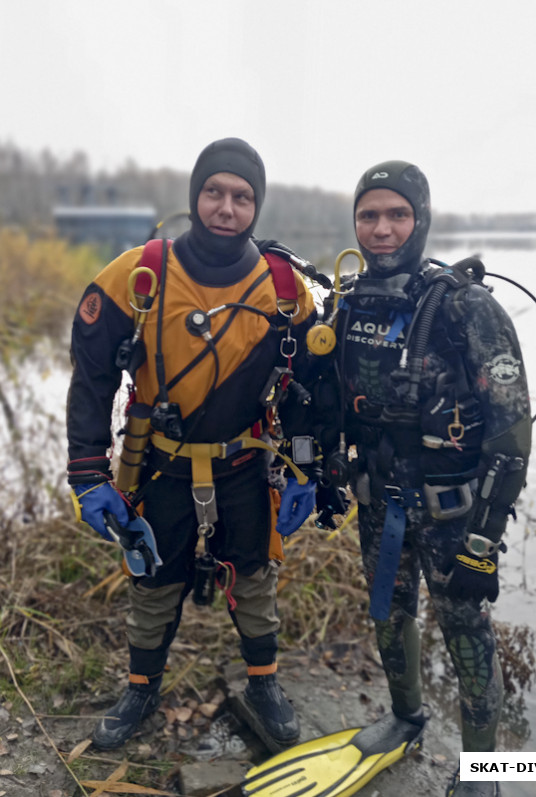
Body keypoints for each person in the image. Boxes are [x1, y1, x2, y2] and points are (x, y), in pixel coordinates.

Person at [67, 137, 319, 750]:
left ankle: (264, 682)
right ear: (194, 195)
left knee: (256, 575)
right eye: (214, 192)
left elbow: (314, 391)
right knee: (153, 579)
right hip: (160, 465)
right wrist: (87, 473)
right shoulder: (138, 274)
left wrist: (307, 469)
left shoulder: (285, 288)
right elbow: (92, 378)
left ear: (256, 206)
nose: (226, 208)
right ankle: (140, 687)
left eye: (241, 197)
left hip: (247, 463)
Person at [310, 161, 531, 797]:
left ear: (421, 219)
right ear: (355, 222)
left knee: (467, 634)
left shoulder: (468, 308)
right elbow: (327, 402)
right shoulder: (346, 307)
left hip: (455, 514)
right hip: (378, 502)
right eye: (369, 215)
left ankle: (485, 769)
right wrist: (324, 473)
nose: (382, 229)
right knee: (387, 614)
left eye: (397, 214)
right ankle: (406, 719)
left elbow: (511, 440)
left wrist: (484, 543)